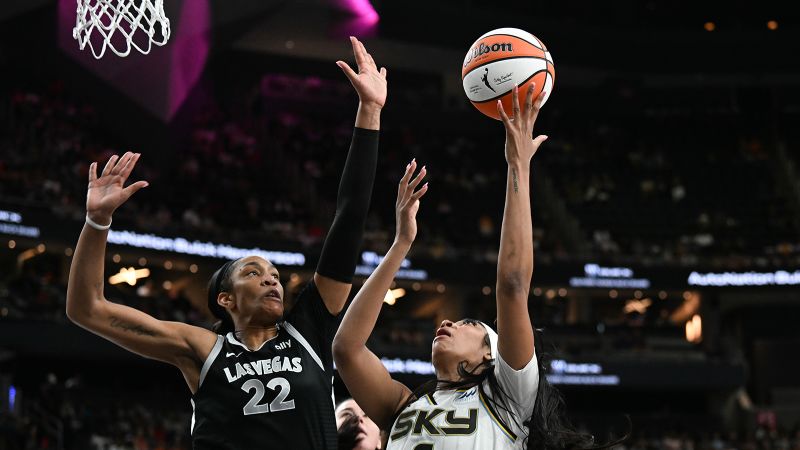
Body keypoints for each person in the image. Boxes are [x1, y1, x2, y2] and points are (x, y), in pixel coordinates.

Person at [66, 37, 387, 450]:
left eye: (274, 275)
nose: (273, 281)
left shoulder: (308, 328)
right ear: (225, 299)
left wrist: (370, 111)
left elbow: (348, 220)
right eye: (254, 273)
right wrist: (96, 221)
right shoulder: (201, 348)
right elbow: (86, 309)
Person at [332, 85, 600, 450]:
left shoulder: (509, 397)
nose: (446, 322)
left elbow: (512, 285)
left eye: (467, 324)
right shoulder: (403, 405)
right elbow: (347, 348)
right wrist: (400, 245)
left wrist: (518, 165)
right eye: (460, 321)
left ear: (492, 354)